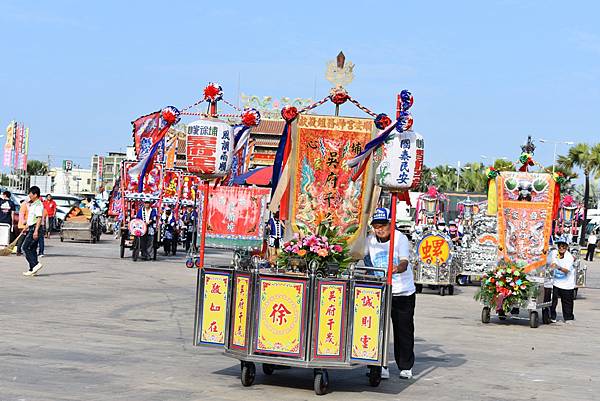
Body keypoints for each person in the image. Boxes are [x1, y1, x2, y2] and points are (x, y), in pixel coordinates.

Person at [364, 207, 415, 380]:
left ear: (391, 224)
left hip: (402, 291)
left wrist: (396, 269)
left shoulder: (400, 238)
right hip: (380, 291)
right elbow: (361, 256)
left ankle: (405, 366)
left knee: (403, 329)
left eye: (383, 225)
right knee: (377, 330)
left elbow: (404, 262)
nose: (380, 229)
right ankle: (379, 365)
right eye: (376, 226)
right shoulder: (370, 240)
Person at [549, 236, 576, 323]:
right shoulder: (553, 253)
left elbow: (566, 270)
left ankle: (568, 318)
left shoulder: (569, 257)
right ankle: (552, 316)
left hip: (567, 283)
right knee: (552, 301)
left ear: (567, 247)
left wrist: (557, 267)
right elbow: (547, 261)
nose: (561, 247)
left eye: (563, 246)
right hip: (555, 281)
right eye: (560, 245)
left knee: (567, 302)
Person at [22, 186, 44, 276]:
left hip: (35, 228)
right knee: (32, 249)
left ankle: (35, 264)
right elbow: (32, 218)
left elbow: (39, 218)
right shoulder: (33, 204)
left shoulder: (38, 205)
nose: (29, 195)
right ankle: (32, 269)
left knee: (25, 247)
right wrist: (26, 226)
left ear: (35, 194)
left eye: (30, 193)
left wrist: (36, 231)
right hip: (31, 227)